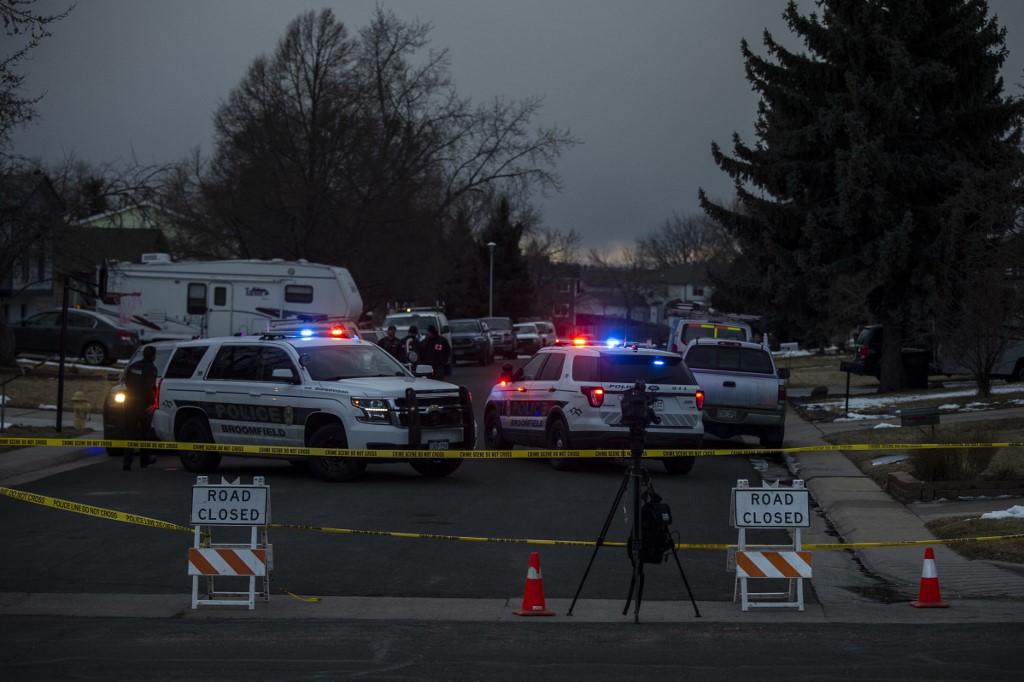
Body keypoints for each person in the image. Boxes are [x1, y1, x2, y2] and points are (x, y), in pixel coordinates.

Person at [122, 345, 158, 470]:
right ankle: (144, 460)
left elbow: (126, 381)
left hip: (129, 402)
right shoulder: (151, 369)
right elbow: (149, 388)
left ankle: (127, 462)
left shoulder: (134, 366)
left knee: (129, 432)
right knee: (144, 432)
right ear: (153, 356)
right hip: (141, 404)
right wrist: (151, 403)